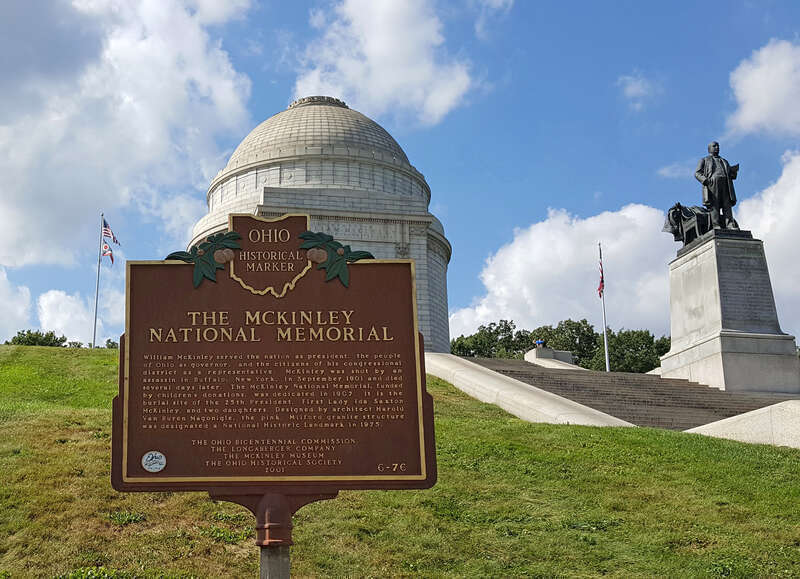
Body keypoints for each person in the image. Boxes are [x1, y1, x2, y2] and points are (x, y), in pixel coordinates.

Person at [695, 141, 739, 230]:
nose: (717, 147)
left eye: (718, 146)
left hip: (726, 183)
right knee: (714, 204)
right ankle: (716, 225)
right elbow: (697, 173)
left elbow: (731, 175)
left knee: (727, 204)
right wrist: (705, 180)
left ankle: (730, 224)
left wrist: (734, 171)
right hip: (712, 183)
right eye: (714, 146)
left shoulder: (724, 161)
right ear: (709, 149)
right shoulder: (704, 160)